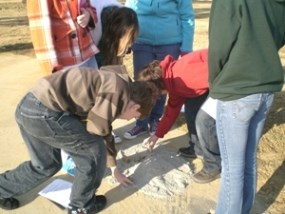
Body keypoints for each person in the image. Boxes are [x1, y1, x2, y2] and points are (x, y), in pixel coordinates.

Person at [0, 65, 155, 213]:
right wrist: (114, 167)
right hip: (45, 113)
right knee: (94, 153)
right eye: (134, 117)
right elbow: (99, 131)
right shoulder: (117, 92)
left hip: (28, 106)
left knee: (45, 165)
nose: (129, 120)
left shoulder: (118, 83)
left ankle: (2, 188)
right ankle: (81, 206)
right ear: (135, 107)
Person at [208, 0, 285, 213]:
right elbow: (277, 36)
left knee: (233, 168)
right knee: (248, 159)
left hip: (236, 88)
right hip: (266, 87)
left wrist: (215, 81)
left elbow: (218, 47)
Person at [124, 0, 195, 148]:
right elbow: (128, 14)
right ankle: (141, 121)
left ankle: (156, 119)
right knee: (142, 84)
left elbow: (187, 16)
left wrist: (186, 46)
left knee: (162, 83)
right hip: (142, 41)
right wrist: (127, 40)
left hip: (170, 42)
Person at [137, 49, 209, 158]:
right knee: (191, 112)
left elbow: (213, 77)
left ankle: (212, 157)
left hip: (220, 78)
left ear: (156, 87)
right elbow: (171, 112)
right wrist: (156, 136)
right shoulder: (171, 82)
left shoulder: (184, 76)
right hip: (204, 85)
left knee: (204, 118)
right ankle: (197, 148)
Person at [27, 0, 99, 74]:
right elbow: (41, 35)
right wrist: (53, 72)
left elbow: (90, 9)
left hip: (89, 57)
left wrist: (88, 15)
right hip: (66, 66)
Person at [191, 97, 221, 184]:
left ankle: (214, 167)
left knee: (204, 119)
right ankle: (200, 150)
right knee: (196, 115)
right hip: (219, 89)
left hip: (229, 90)